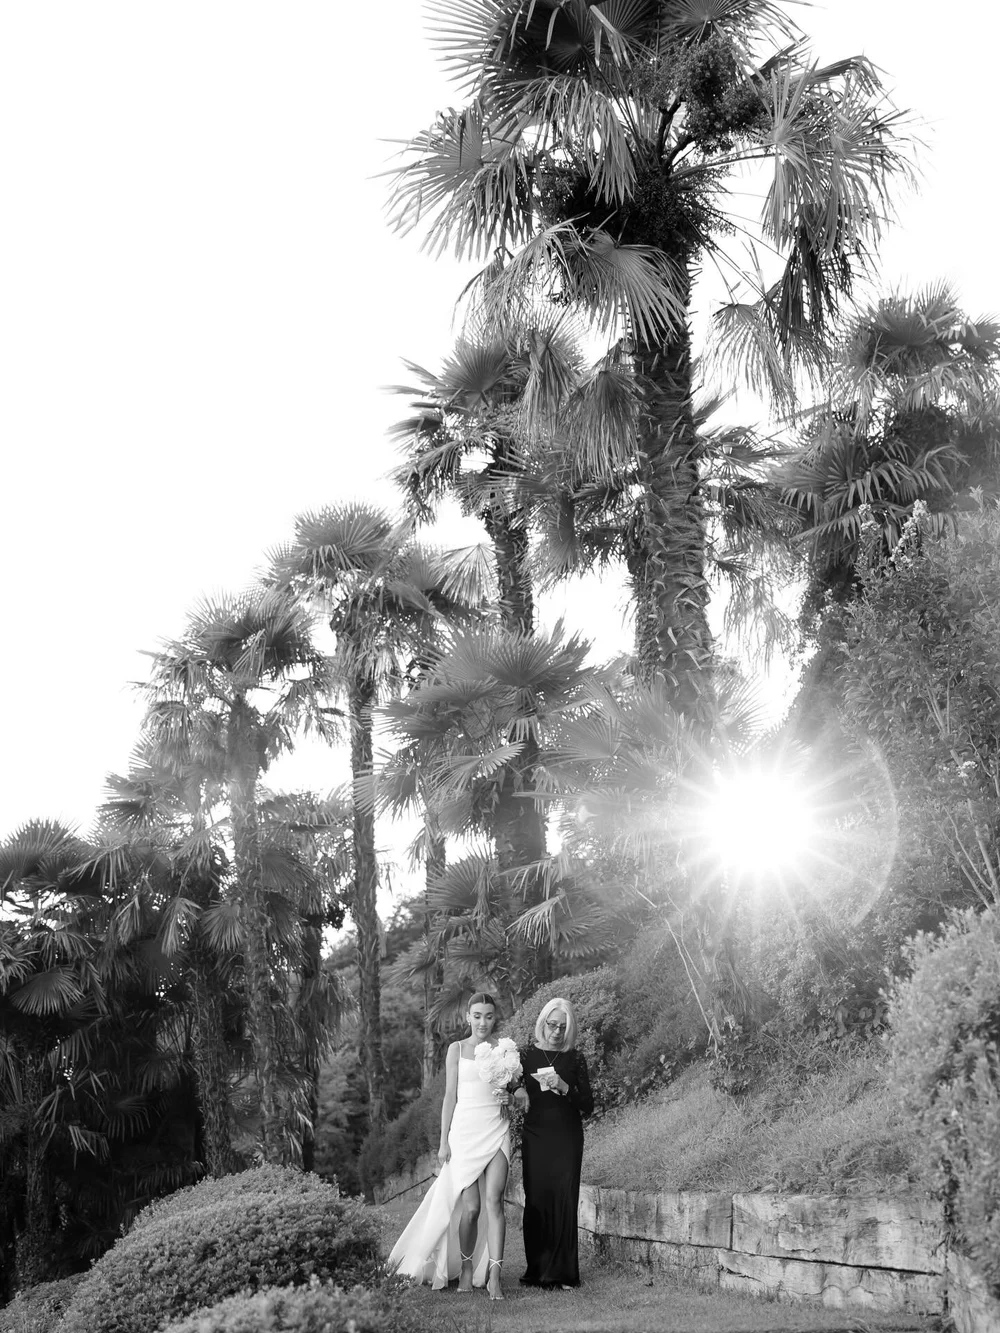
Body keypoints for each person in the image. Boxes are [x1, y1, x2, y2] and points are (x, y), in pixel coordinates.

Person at [388, 992, 511, 1300]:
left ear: (496, 1018)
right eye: (477, 1016)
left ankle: (494, 1274)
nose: (483, 1022)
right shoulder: (456, 1049)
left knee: (494, 1202)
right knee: (471, 1208)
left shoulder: (506, 1049)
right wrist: (444, 1142)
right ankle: (467, 1268)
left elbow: (513, 1091)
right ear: (468, 1017)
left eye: (489, 1016)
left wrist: (512, 1097)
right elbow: (449, 1098)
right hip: (465, 1134)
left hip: (497, 1128)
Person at [516, 996, 593, 1289]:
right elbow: (512, 1087)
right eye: (552, 1025)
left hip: (567, 1137)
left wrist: (565, 1087)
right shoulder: (525, 1056)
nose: (557, 1031)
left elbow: (587, 1105)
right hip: (536, 1136)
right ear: (543, 1023)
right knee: (536, 1201)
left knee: (564, 1200)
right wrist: (514, 1090)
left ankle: (562, 1273)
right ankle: (536, 1270)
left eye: (563, 1026)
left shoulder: (575, 1059)